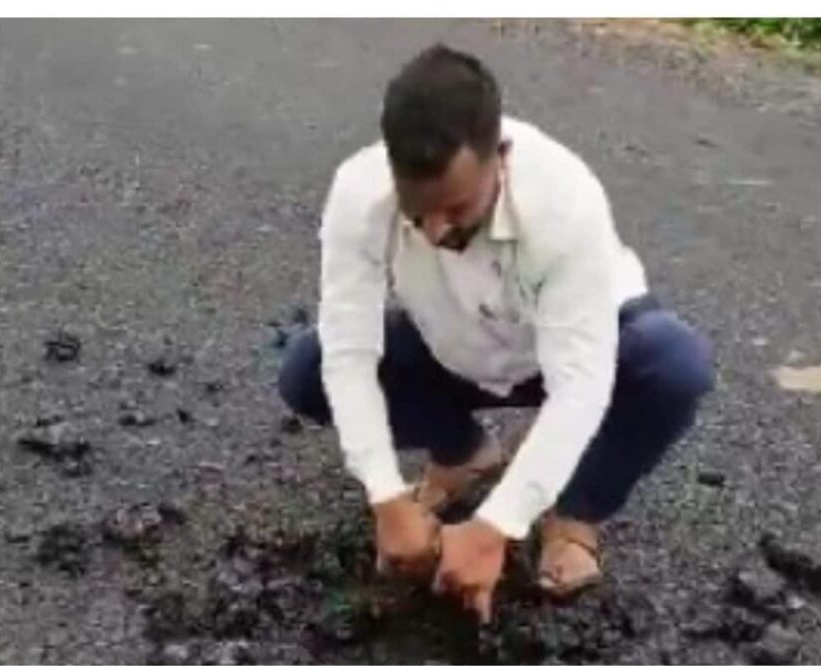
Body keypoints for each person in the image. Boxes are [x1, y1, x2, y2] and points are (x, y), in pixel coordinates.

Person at [278, 44, 714, 623]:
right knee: (308, 370)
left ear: (500, 157)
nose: (434, 231)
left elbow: (581, 386)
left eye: (456, 209)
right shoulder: (358, 193)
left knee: (674, 365)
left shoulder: (564, 202)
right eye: (417, 210)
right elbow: (350, 355)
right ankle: (462, 453)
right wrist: (384, 494)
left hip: (570, 346)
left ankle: (574, 515)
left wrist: (495, 528)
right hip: (452, 346)